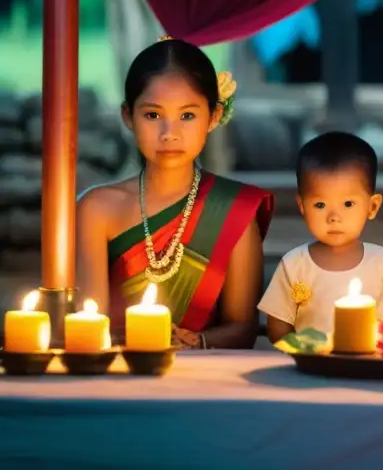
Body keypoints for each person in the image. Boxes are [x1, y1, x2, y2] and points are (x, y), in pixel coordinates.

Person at [76, 38, 274, 349]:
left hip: (204, 378)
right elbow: (87, 323)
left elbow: (242, 328)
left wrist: (197, 341)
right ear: (128, 116)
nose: (169, 133)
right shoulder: (97, 209)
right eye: (153, 115)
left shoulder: (235, 211)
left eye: (187, 116)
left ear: (213, 116)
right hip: (116, 372)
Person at [258, 132, 383, 343]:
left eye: (348, 204)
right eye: (320, 205)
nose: (334, 218)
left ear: (372, 206)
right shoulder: (294, 264)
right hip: (311, 364)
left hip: (370, 362)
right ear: (302, 207)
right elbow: (278, 326)